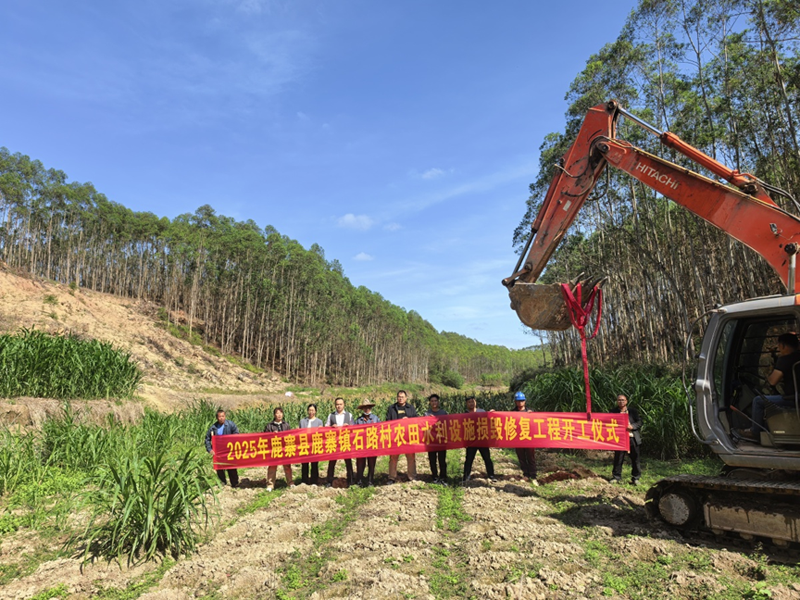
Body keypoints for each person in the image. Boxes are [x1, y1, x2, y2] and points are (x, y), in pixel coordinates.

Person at [740, 332, 800, 441]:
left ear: (783, 346)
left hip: (793, 399)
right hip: (795, 397)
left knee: (758, 401)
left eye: (779, 346)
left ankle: (755, 432)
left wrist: (770, 372)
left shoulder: (786, 359)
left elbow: (773, 381)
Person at [386, 390, 418, 483]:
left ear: (406, 398)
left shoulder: (411, 408)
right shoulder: (391, 408)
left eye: (402, 397)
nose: (400, 398)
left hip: (408, 437)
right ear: (397, 398)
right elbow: (388, 421)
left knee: (411, 457)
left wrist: (408, 420)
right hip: (396, 436)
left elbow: (416, 420)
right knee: (393, 458)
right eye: (399, 397)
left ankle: (412, 477)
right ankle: (392, 477)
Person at [462, 396, 496, 482]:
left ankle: (491, 475)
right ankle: (466, 476)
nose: (471, 403)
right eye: (469, 402)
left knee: (487, 458)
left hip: (482, 439)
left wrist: (491, 413)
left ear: (475, 402)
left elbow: (488, 421)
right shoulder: (465, 414)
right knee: (469, 459)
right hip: (471, 441)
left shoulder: (482, 411)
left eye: (472, 401)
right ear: (466, 404)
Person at [610, 394, 642, 485]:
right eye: (619, 400)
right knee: (618, 458)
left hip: (632, 437)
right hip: (619, 438)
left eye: (623, 400)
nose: (621, 402)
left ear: (626, 401)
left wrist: (632, 426)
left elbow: (639, 422)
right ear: (617, 401)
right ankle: (616, 477)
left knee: (635, 458)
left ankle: (636, 478)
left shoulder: (632, 411)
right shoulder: (613, 412)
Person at [204, 409, 240, 488]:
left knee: (231, 467)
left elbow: (236, 433)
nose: (221, 418)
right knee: (219, 467)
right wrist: (210, 449)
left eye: (223, 416)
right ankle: (223, 482)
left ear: (225, 416)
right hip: (218, 451)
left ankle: (235, 483)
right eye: (220, 417)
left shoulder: (230, 424)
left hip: (229, 450)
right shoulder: (213, 428)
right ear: (217, 418)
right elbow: (207, 439)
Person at [325, 398, 355, 487]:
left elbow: (354, 428)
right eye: (337, 404)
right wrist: (331, 427)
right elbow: (325, 427)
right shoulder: (331, 415)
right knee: (332, 461)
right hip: (334, 442)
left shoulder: (349, 415)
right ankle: (329, 480)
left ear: (344, 405)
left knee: (348, 461)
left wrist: (348, 427)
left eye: (340, 404)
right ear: (335, 405)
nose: (339, 406)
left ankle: (351, 479)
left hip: (345, 441)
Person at [264, 407, 294, 491]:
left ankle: (290, 482)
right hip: (274, 449)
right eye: (277, 413)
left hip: (285, 449)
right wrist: (272, 435)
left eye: (281, 413)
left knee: (287, 466)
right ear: (274, 415)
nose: (279, 415)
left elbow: (290, 436)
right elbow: (265, 437)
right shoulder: (270, 426)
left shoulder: (286, 425)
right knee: (272, 467)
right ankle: (270, 484)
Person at [513, 391, 537, 484]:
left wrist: (533, 415)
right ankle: (526, 474)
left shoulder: (530, 412)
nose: (520, 403)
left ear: (525, 401)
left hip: (529, 438)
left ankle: (533, 475)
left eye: (522, 401)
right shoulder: (512, 412)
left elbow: (537, 423)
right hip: (518, 439)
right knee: (521, 457)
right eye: (518, 401)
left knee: (531, 457)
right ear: (515, 402)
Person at [354, 400, 380, 486]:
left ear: (371, 408)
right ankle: (359, 480)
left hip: (372, 444)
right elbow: (354, 432)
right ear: (362, 409)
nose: (367, 409)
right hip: (361, 445)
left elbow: (380, 430)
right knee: (360, 463)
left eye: (368, 407)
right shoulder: (359, 420)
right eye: (365, 408)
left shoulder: (375, 419)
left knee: (371, 463)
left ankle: (370, 480)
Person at [425, 394, 448, 484]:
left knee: (442, 459)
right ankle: (434, 476)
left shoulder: (443, 413)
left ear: (438, 402)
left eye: (435, 401)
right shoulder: (426, 414)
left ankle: (443, 476)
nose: (434, 403)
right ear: (429, 403)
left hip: (441, 440)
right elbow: (423, 426)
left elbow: (448, 424)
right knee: (432, 459)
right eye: (432, 401)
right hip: (431, 440)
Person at [299, 403, 323, 485]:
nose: (311, 412)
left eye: (312, 410)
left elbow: (321, 434)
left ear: (315, 411)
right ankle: (304, 480)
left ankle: (314, 481)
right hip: (305, 444)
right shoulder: (302, 421)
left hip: (314, 445)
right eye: (309, 410)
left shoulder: (319, 422)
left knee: (314, 464)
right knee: (304, 464)